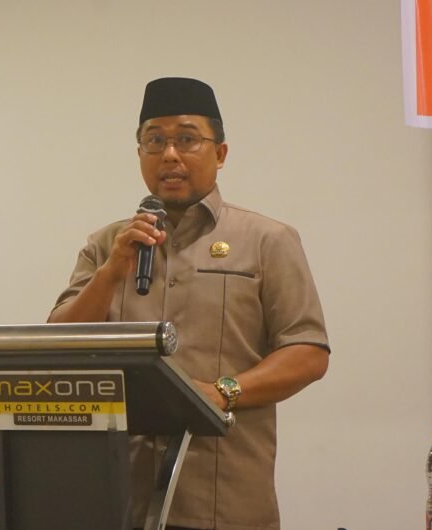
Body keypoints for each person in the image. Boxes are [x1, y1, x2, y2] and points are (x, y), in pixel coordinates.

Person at [48, 77, 330, 530]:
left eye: (186, 139)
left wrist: (224, 391)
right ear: (139, 153)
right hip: (120, 500)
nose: (169, 155)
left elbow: (308, 352)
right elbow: (59, 345)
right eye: (154, 141)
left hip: (224, 499)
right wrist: (112, 271)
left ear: (220, 153)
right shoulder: (107, 245)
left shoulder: (267, 240)